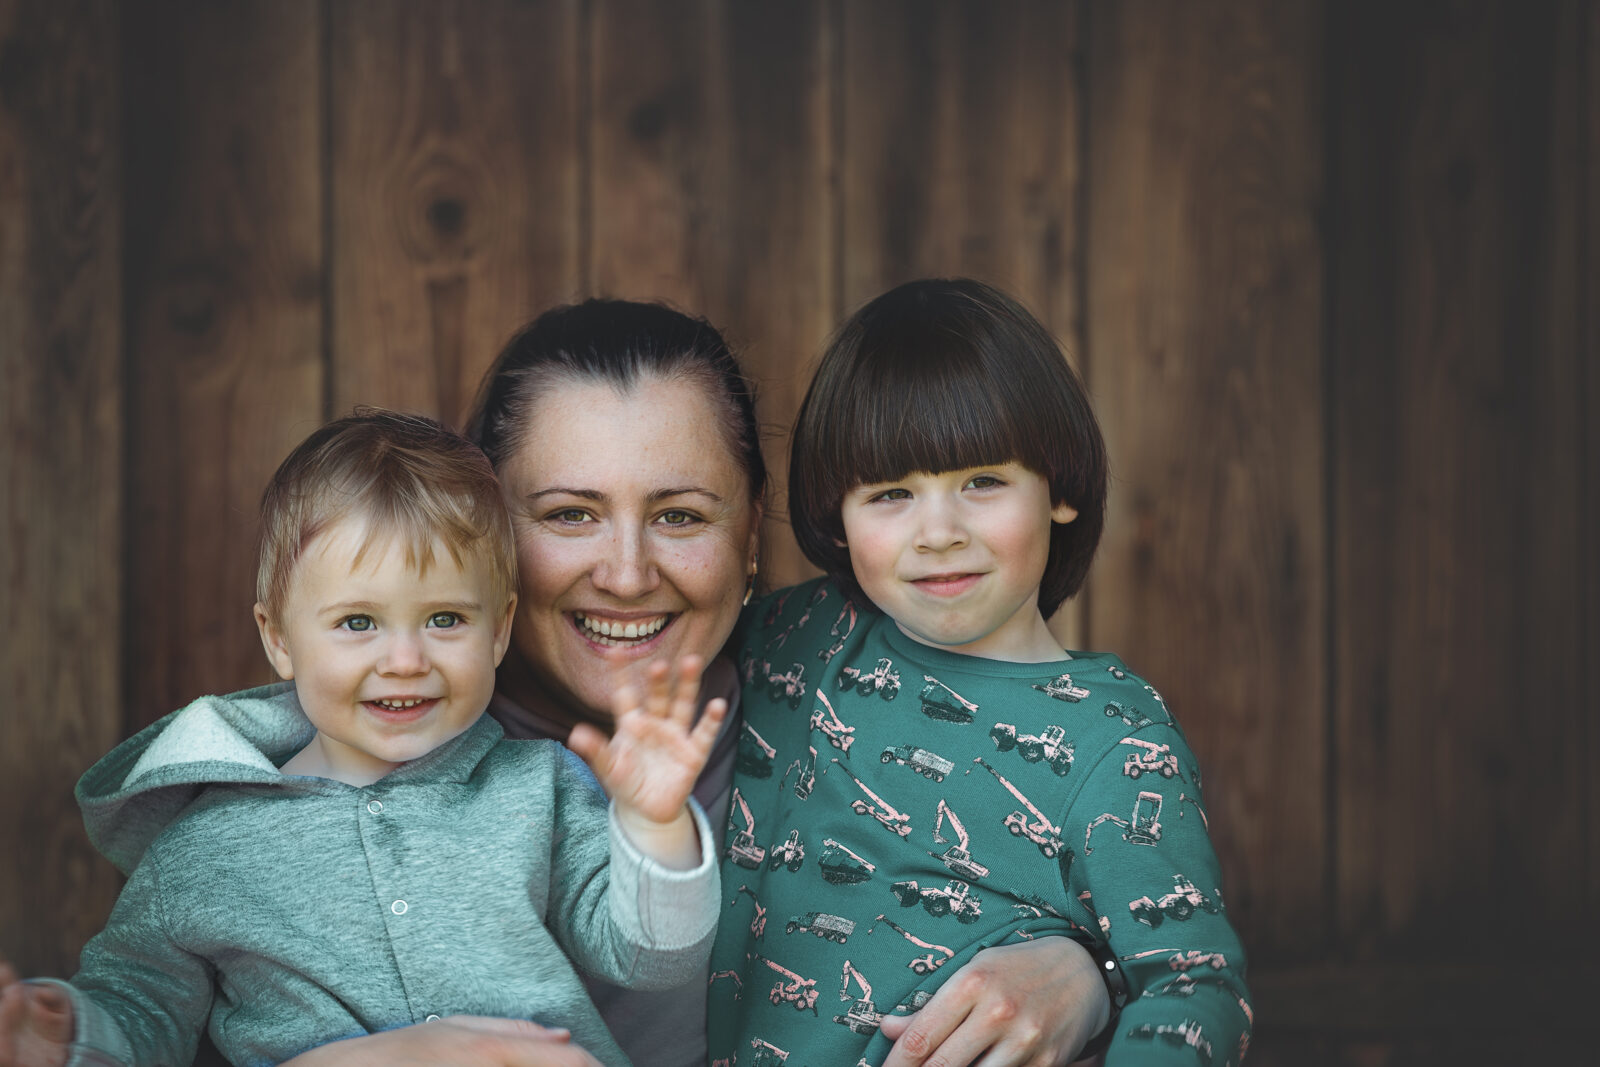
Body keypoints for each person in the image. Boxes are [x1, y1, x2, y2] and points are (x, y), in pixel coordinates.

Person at [74, 300, 1116, 1067]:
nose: (625, 569)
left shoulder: (852, 710)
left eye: (680, 514)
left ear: (749, 536)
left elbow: (1122, 893)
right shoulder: (332, 759)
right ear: (480, 536)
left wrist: (1081, 975)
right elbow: (155, 1011)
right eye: (568, 512)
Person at [0, 411, 725, 1067]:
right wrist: (59, 1034)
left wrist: (653, 825)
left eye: (445, 618)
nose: (406, 659)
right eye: (358, 622)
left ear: (499, 627)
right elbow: (144, 1016)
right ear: (280, 639)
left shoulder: (539, 787)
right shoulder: (202, 848)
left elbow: (648, 956)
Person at [707, 279, 1254, 1065]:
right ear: (836, 517)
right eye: (892, 493)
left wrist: (1098, 974)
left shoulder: (1116, 742)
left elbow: (1195, 983)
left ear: (1060, 488)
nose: (939, 532)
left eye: (983, 482)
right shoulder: (797, 637)